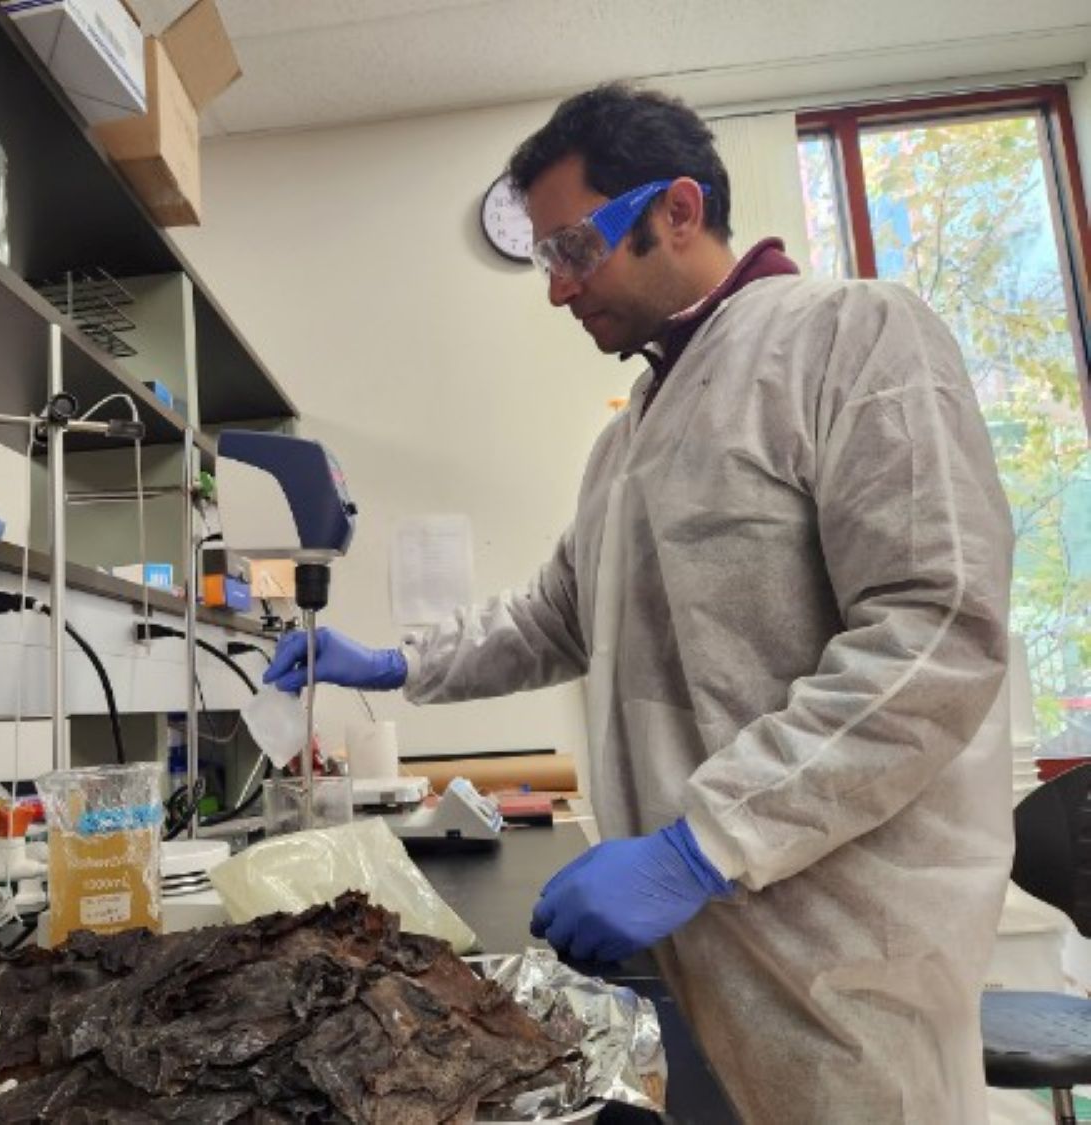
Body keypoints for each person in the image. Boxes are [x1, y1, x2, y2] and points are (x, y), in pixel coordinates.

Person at [265, 84, 1015, 1124]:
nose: (559, 291)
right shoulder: (630, 437)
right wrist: (393, 666)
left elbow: (937, 634)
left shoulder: (851, 335)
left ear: (677, 209)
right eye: (545, 259)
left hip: (843, 941)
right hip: (700, 932)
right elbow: (553, 620)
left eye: (575, 248)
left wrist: (700, 844)